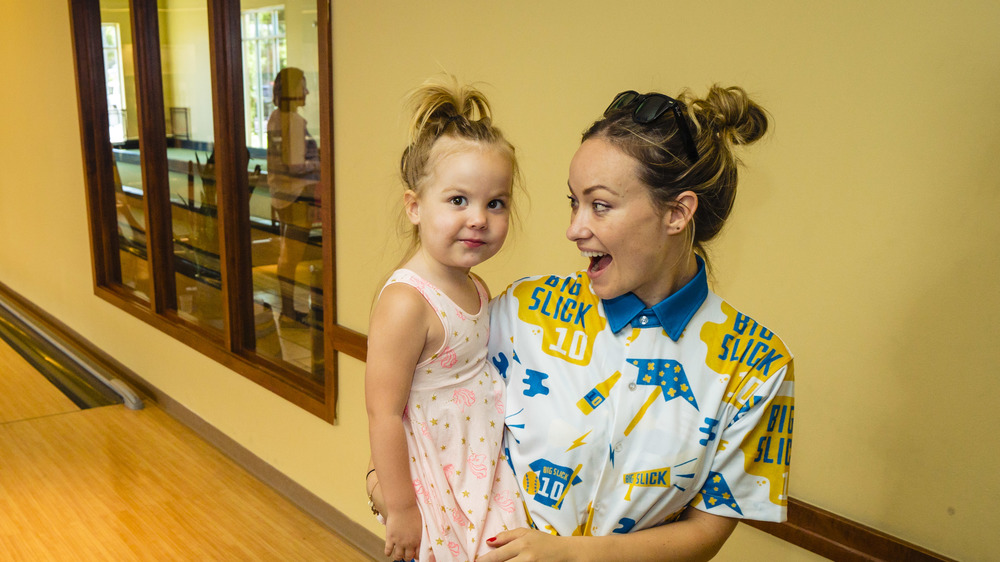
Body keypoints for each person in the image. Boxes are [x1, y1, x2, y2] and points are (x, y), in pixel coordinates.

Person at [371, 84, 794, 561]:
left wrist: (570, 555)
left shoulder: (758, 365)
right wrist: (381, 479)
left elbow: (708, 533)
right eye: (573, 202)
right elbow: (427, 392)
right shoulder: (527, 309)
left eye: (600, 205)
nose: (574, 229)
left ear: (677, 213)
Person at [365, 78, 529, 562]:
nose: (479, 217)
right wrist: (400, 509)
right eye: (459, 200)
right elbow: (383, 414)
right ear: (415, 207)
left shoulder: (476, 285)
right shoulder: (406, 302)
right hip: (434, 480)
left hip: (478, 470)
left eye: (494, 203)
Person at [266, 67, 320, 325]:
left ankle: (287, 309)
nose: (307, 91)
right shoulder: (295, 122)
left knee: (286, 256)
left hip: (280, 196)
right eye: (303, 86)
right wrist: (321, 163)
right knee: (291, 257)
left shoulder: (275, 117)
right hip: (298, 197)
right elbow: (294, 165)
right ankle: (289, 312)